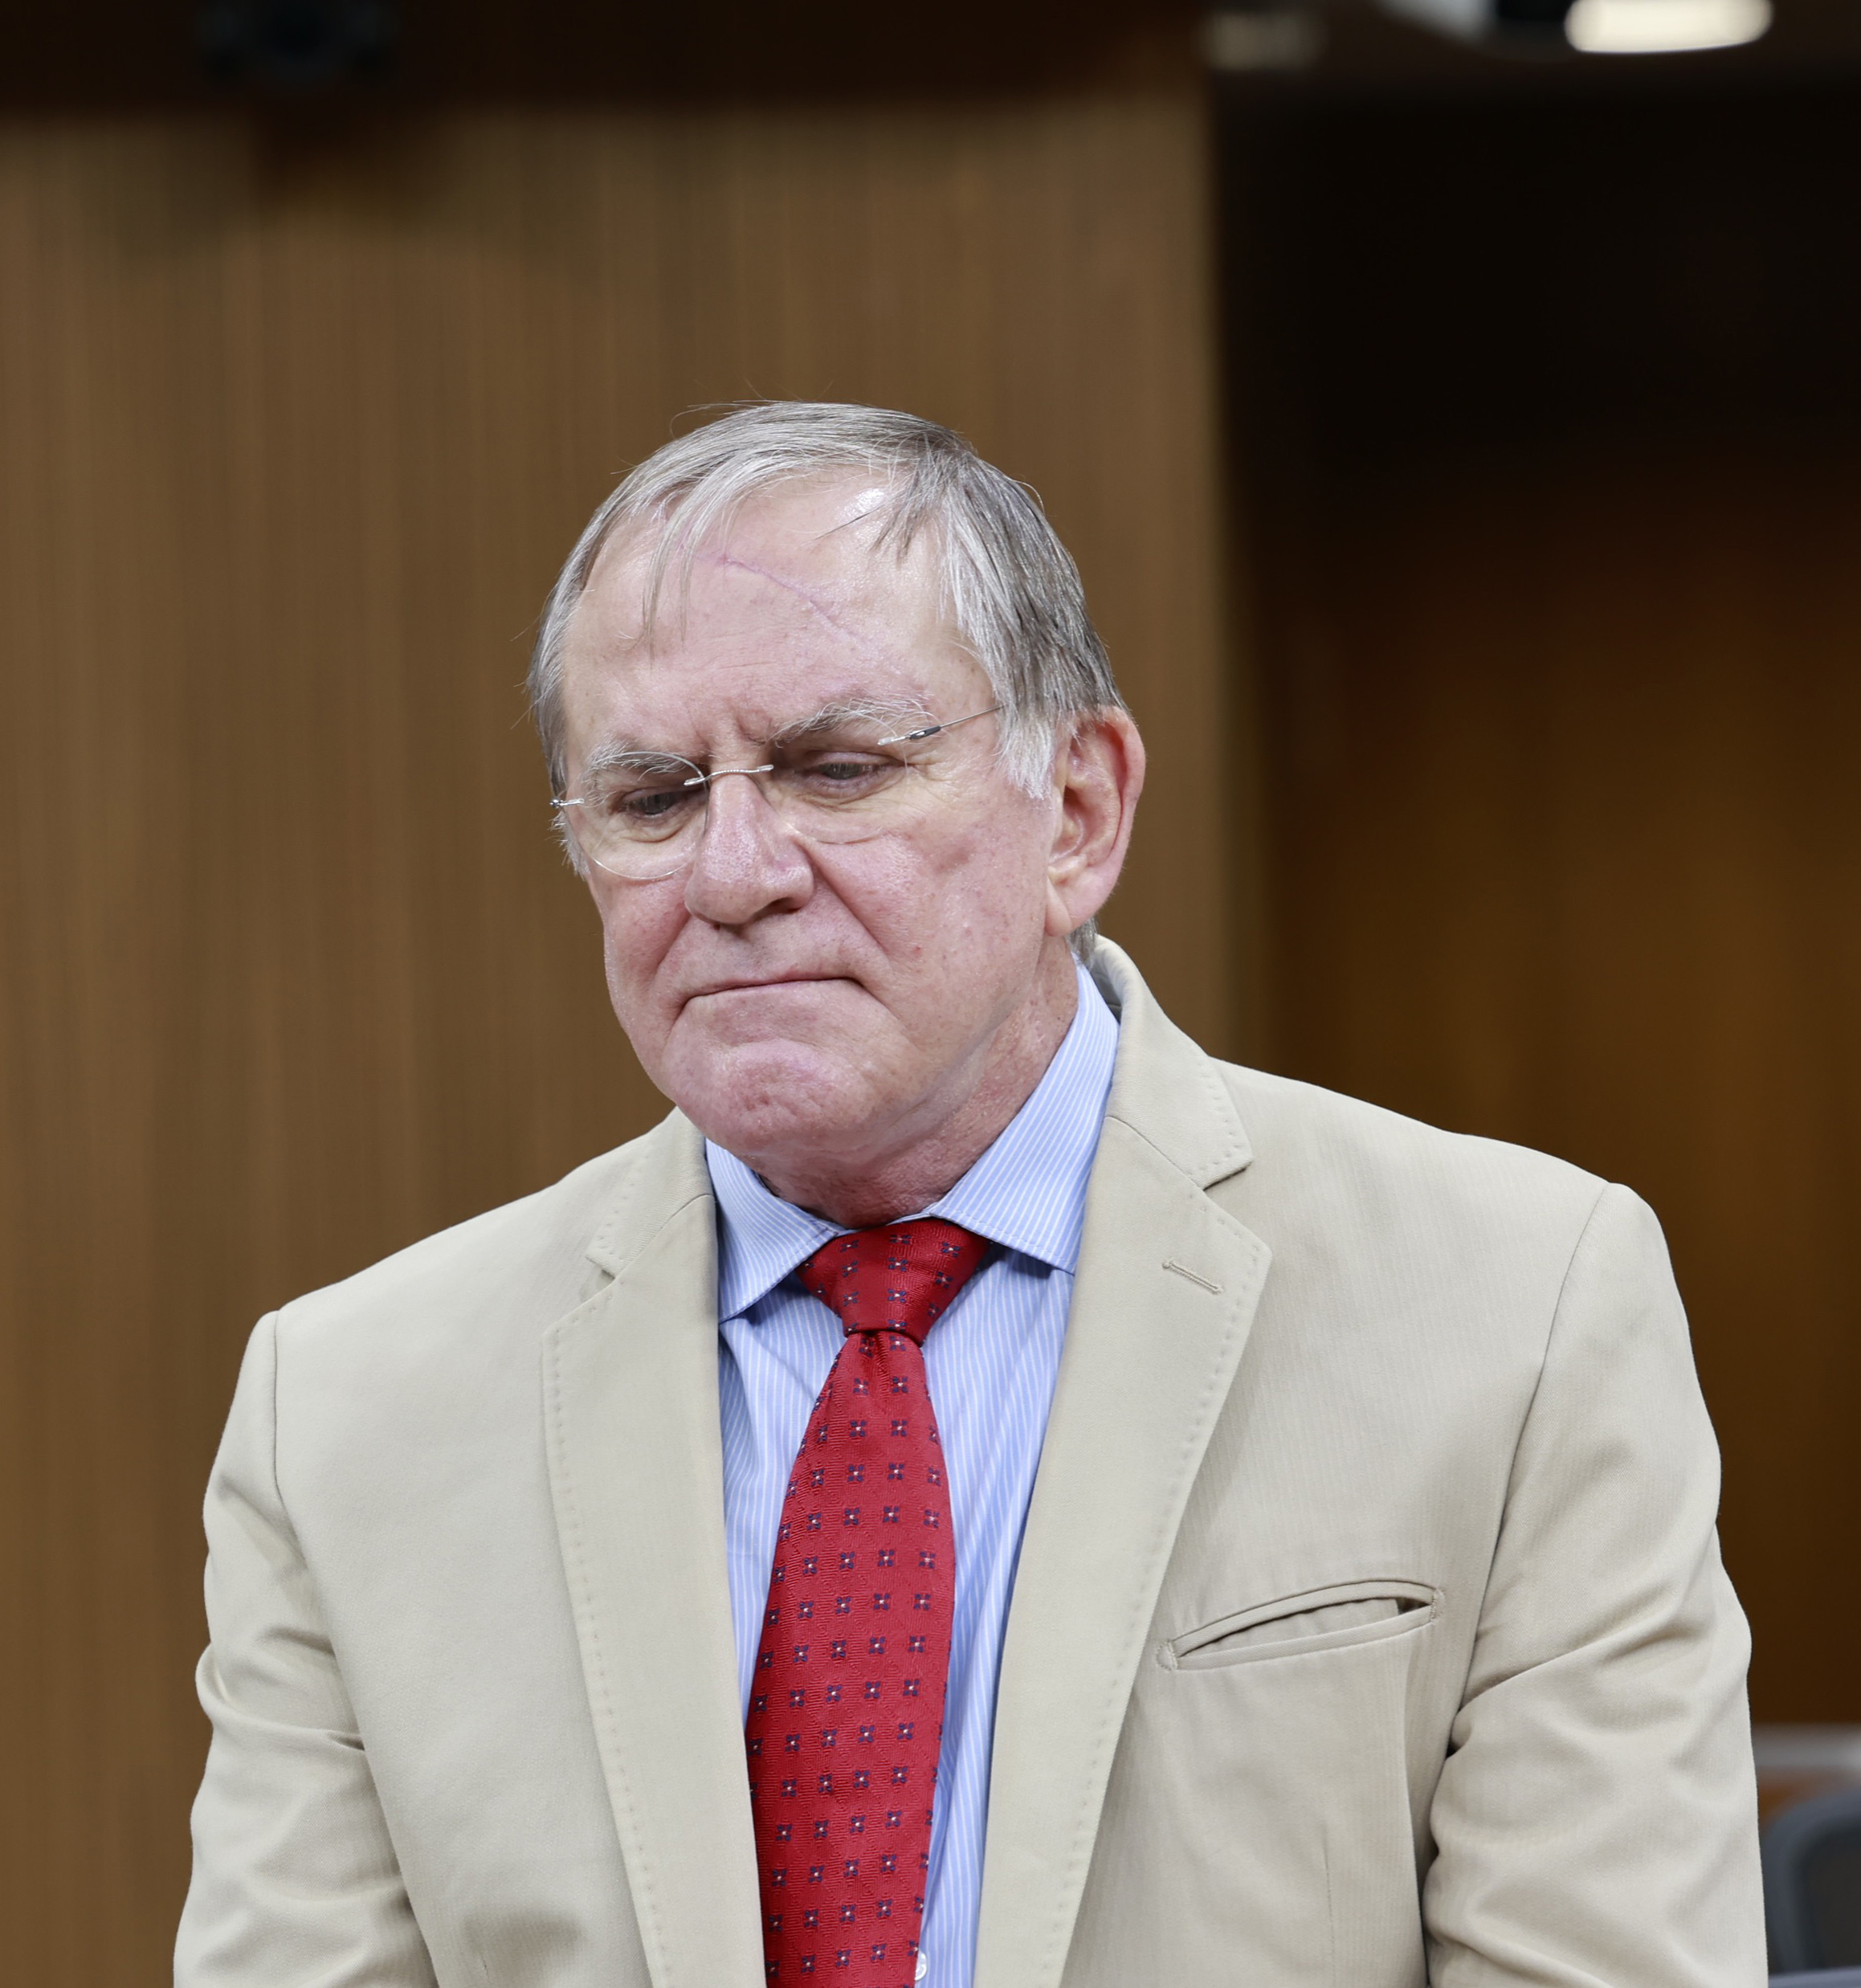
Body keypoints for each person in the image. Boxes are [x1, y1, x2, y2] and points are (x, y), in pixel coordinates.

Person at [176, 403, 1762, 1988]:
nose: (734, 874)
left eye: (837, 768)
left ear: (1077, 811)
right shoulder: (347, 1416)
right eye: (652, 798)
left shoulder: (1517, 1305)